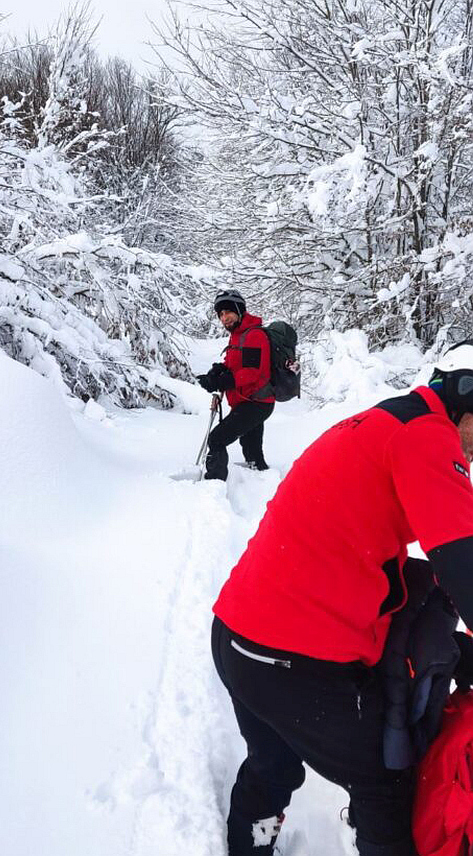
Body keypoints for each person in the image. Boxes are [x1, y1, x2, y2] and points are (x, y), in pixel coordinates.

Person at [211, 340, 473, 856]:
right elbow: (462, 560)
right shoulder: (426, 433)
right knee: (383, 779)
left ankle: (248, 844)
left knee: (274, 763)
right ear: (463, 410)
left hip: (238, 638)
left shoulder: (379, 423)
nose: (472, 453)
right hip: (292, 659)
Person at [197, 290, 274, 480]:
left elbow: (252, 372)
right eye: (221, 315)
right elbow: (236, 365)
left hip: (256, 403)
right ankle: (261, 482)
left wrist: (222, 381)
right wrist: (219, 370)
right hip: (248, 401)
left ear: (239, 310)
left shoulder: (254, 335)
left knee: (216, 439)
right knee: (251, 450)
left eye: (228, 312)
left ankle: (214, 483)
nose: (224, 318)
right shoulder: (237, 336)